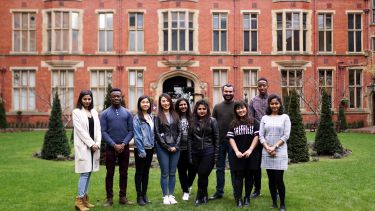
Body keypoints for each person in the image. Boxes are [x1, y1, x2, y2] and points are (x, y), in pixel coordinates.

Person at [100, 88, 134, 206]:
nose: (116, 98)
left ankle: (122, 197)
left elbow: (131, 131)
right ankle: (109, 198)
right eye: (114, 96)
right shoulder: (104, 114)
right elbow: (103, 132)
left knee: (124, 173)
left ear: (121, 98)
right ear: (110, 98)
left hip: (124, 147)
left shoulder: (128, 113)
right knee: (110, 173)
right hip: (110, 148)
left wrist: (123, 144)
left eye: (118, 96)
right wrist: (114, 145)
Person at [259, 94, 291, 211]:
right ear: (269, 105)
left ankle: (282, 203)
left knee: (279, 179)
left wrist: (274, 147)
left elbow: (286, 135)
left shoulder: (285, 117)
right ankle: (273, 202)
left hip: (280, 152)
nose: (274, 105)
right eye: (272, 103)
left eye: (276, 103)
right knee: (271, 179)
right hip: (267, 151)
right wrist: (268, 147)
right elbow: (261, 135)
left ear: (280, 104)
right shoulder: (264, 118)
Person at [227, 100, 259, 208]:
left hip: (251, 154)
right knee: (238, 177)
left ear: (246, 108)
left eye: (243, 108)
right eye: (238, 108)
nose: (241, 110)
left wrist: (250, 150)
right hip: (238, 155)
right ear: (236, 111)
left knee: (250, 177)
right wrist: (236, 151)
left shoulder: (254, 122)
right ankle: (239, 198)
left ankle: (247, 197)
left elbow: (256, 136)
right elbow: (230, 138)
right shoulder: (233, 123)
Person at [72, 90, 101, 211]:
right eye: (85, 99)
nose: (87, 101)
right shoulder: (76, 112)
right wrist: (91, 144)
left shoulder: (94, 112)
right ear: (80, 99)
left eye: (89, 99)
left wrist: (97, 143)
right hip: (84, 146)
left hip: (94, 146)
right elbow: (80, 131)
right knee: (84, 173)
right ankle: (78, 201)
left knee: (89, 172)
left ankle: (84, 198)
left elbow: (98, 129)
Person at [188, 99, 219, 205]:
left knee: (202, 173)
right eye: (199, 109)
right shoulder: (192, 121)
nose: (202, 111)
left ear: (207, 110)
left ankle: (198, 196)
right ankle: (204, 195)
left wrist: (216, 156)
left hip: (208, 151)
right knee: (202, 176)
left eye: (204, 109)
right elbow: (189, 139)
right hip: (195, 153)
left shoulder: (212, 121)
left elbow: (217, 138)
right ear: (196, 110)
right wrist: (190, 155)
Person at [154, 93, 181, 205]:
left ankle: (171, 195)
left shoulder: (176, 115)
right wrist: (166, 146)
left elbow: (180, 132)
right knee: (165, 173)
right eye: (163, 101)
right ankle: (165, 196)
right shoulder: (157, 116)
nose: (165, 103)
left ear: (170, 102)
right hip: (163, 148)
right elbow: (157, 133)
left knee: (173, 173)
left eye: (167, 101)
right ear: (160, 103)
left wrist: (176, 145)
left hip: (176, 147)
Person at [211, 83, 236, 200]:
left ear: (233, 92)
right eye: (226, 91)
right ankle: (219, 192)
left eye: (230, 91)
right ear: (222, 92)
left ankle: (236, 192)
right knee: (219, 169)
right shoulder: (217, 107)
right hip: (220, 142)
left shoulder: (238, 105)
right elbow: (213, 125)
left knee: (234, 168)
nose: (228, 93)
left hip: (234, 142)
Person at [248, 77, 269, 199]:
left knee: (273, 164)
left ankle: (275, 189)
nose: (262, 87)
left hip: (270, 136)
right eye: (260, 85)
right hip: (257, 135)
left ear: (267, 86)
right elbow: (251, 118)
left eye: (264, 85)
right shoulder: (253, 101)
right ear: (257, 87)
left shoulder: (272, 99)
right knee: (256, 165)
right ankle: (257, 189)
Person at [133, 95, 155, 206]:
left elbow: (153, 133)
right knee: (139, 172)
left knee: (146, 173)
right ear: (139, 104)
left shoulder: (151, 116)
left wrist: (153, 146)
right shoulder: (137, 118)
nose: (145, 104)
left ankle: (145, 194)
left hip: (150, 148)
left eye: (147, 102)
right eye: (143, 102)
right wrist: (142, 151)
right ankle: (139, 196)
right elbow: (137, 136)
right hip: (141, 149)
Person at [175, 98, 196, 201]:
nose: (183, 106)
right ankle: (185, 191)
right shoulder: (175, 118)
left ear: (188, 105)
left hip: (191, 148)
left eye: (185, 104)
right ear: (177, 106)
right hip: (179, 148)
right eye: (180, 105)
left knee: (193, 169)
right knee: (182, 170)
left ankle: (188, 184)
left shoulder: (193, 118)